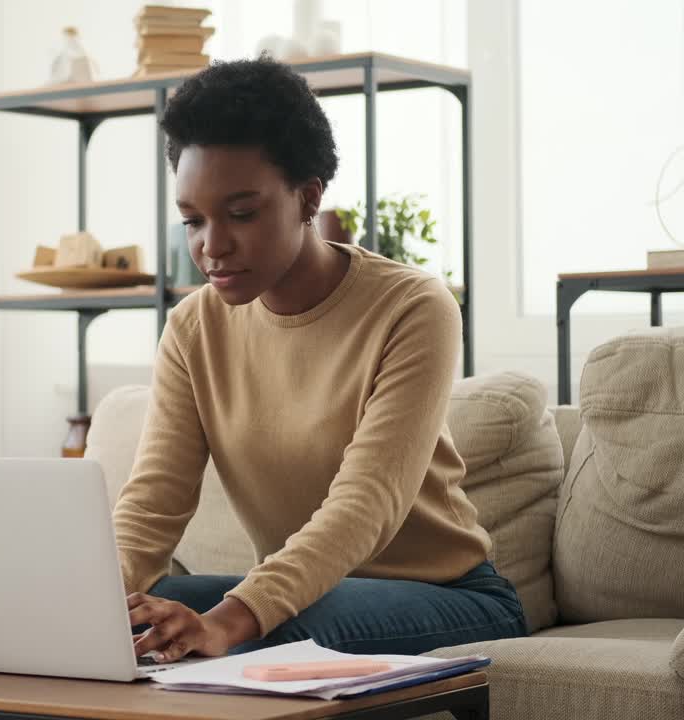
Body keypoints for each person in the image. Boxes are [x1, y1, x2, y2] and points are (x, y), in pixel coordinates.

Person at [113, 57, 527, 665]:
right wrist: (89, 603)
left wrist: (229, 621)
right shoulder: (191, 327)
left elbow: (366, 504)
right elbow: (152, 505)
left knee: (256, 630)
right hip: (309, 595)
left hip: (450, 597)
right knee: (143, 614)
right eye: (192, 220)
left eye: (242, 213)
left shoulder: (412, 306)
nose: (212, 245)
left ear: (308, 197)